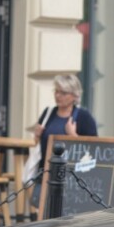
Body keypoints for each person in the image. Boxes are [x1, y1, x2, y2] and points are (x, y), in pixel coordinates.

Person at [30, 74, 97, 210]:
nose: (58, 96)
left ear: (74, 95)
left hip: (72, 177)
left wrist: (73, 135)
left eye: (63, 92)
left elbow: (95, 149)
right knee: (41, 207)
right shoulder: (48, 113)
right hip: (46, 172)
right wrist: (36, 136)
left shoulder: (84, 117)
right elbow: (38, 144)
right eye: (56, 91)